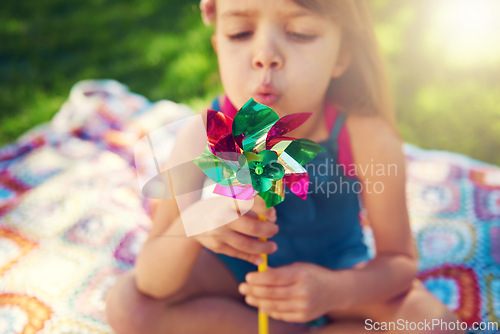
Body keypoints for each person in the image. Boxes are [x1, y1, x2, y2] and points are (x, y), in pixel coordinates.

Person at [105, 0, 463, 333]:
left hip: (335, 273)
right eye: (240, 33)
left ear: (341, 55)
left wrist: (335, 291)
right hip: (234, 281)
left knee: (432, 322)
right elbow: (151, 279)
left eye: (300, 33)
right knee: (128, 304)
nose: (265, 56)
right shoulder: (202, 136)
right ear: (217, 45)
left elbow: (399, 262)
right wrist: (193, 223)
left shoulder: (366, 137)